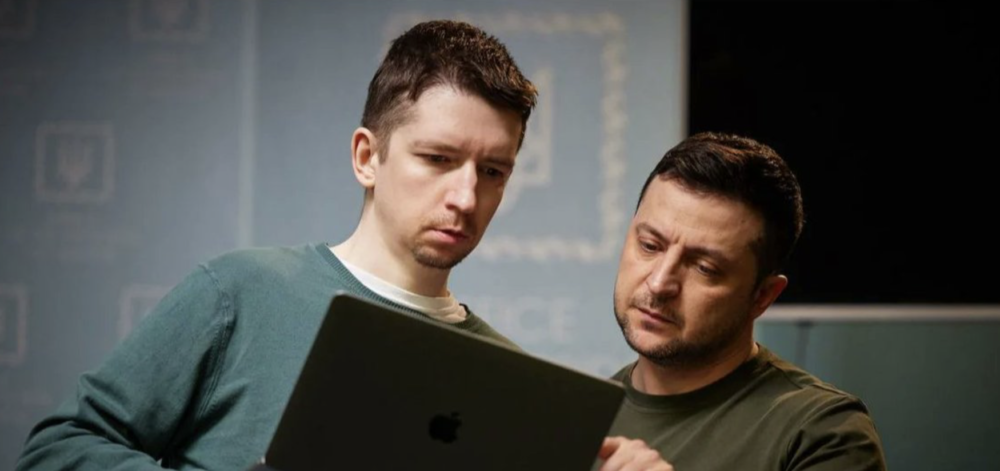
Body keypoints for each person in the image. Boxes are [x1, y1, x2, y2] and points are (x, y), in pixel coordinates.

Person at [16, 20, 537, 471]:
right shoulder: (239, 294)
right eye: (439, 159)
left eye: (492, 171)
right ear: (366, 157)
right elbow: (58, 451)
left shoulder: (511, 377)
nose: (466, 197)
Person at [594, 132, 887, 471]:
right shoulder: (583, 416)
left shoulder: (822, 432)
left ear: (762, 297)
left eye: (705, 268)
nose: (660, 284)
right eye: (649, 245)